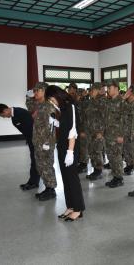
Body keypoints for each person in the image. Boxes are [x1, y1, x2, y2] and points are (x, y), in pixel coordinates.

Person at [45, 85, 85, 221]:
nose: (52, 102)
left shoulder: (70, 106)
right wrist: (56, 123)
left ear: (57, 95)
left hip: (70, 147)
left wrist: (70, 152)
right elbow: (65, 125)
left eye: (52, 99)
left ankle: (78, 209)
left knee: (72, 179)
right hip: (62, 146)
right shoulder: (61, 108)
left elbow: (73, 130)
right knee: (65, 178)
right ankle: (71, 206)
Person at [0, 103, 40, 190]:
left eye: (2, 115)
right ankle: (33, 181)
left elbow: (33, 127)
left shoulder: (20, 113)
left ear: (5, 110)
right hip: (31, 140)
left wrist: (34, 141)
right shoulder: (14, 117)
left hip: (36, 140)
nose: (3, 117)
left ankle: (34, 182)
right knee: (34, 160)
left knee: (35, 161)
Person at [30, 82, 57, 201]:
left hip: (45, 143)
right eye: (34, 91)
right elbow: (29, 105)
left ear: (44, 91)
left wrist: (47, 143)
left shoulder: (48, 106)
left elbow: (51, 126)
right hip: (38, 142)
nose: (35, 93)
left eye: (37, 90)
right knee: (41, 166)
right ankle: (47, 187)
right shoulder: (40, 105)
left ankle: (51, 190)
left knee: (47, 166)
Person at [104, 80, 125, 188]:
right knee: (111, 157)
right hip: (109, 135)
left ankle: (119, 178)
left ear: (116, 88)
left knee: (116, 157)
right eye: (107, 88)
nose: (107, 90)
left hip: (117, 135)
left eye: (110, 88)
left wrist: (121, 135)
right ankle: (115, 176)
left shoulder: (121, 102)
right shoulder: (109, 101)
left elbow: (124, 120)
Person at [84, 82, 106, 180]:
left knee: (97, 151)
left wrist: (101, 131)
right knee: (92, 151)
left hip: (98, 132)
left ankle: (99, 171)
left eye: (92, 90)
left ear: (98, 90)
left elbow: (105, 117)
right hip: (90, 131)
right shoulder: (92, 101)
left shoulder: (102, 101)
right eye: (91, 90)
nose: (90, 92)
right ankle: (95, 170)